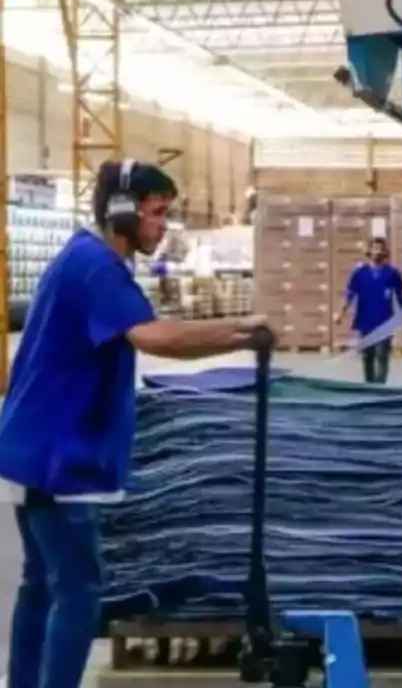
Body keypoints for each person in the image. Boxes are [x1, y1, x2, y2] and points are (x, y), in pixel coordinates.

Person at [0, 160, 270, 688]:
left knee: (41, 585)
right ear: (123, 212)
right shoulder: (96, 266)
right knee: (78, 590)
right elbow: (153, 337)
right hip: (59, 458)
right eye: (157, 214)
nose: (162, 226)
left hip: (29, 447)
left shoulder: (80, 259)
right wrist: (241, 330)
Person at [334, 236, 402, 384]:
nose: (377, 251)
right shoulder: (359, 273)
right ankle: (368, 385)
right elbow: (350, 294)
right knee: (368, 356)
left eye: (381, 248)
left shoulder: (392, 273)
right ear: (368, 251)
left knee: (382, 356)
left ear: (385, 251)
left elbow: (400, 297)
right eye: (374, 248)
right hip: (365, 321)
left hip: (385, 322)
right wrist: (340, 313)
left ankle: (380, 387)